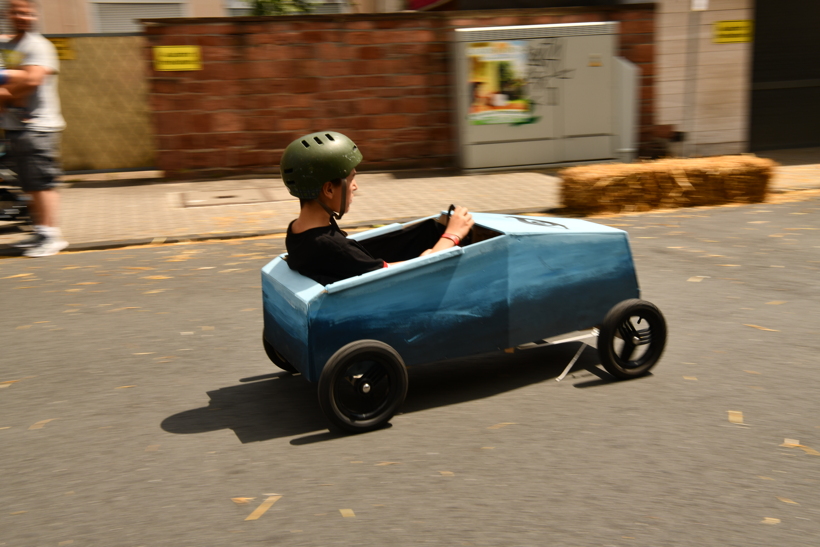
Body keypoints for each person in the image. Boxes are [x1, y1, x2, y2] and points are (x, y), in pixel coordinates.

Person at [282, 131, 474, 285]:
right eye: (351, 179)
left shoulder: (297, 230)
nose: (355, 186)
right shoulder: (332, 247)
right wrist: (452, 235)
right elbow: (392, 275)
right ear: (329, 189)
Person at [0, 0, 67, 257]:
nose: (22, 16)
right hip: (16, 126)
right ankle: (40, 231)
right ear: (8, 14)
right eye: (16, 12)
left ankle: (52, 236)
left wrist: (3, 92)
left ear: (34, 15)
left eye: (27, 12)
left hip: (38, 125)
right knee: (29, 183)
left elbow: (33, 79)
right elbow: (16, 73)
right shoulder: (10, 45)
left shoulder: (38, 45)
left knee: (41, 182)